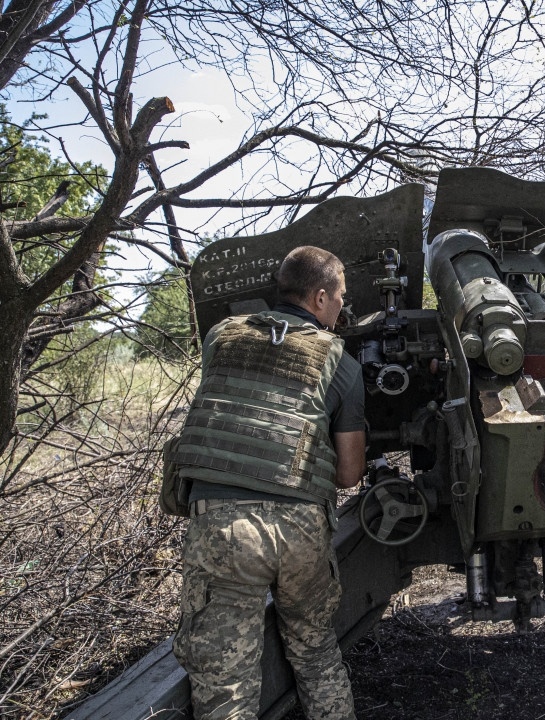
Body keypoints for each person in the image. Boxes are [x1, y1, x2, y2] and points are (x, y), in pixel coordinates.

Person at [171, 245, 366, 720]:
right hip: (300, 530)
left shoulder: (221, 336)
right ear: (320, 298)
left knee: (225, 678)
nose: (343, 306)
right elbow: (348, 474)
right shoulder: (342, 364)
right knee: (316, 653)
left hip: (222, 527)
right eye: (341, 296)